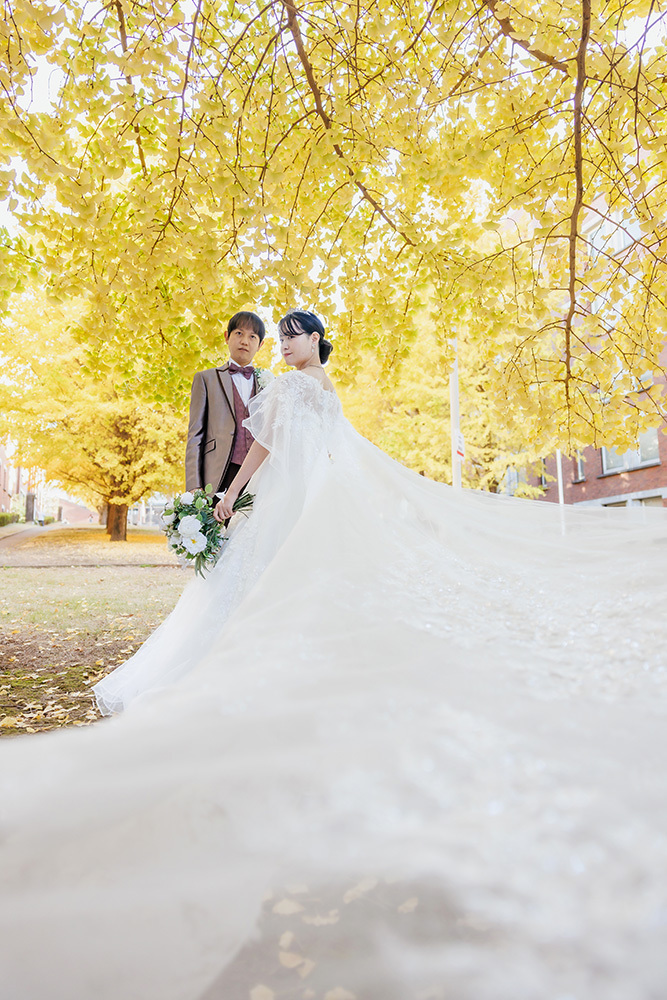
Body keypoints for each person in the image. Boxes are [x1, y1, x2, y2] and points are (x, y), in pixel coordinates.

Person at [1, 309, 666, 1000]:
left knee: (258, 592)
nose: (282, 344)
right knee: (278, 595)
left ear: (315, 338)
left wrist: (228, 497)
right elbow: (320, 453)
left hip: (290, 502)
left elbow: (261, 450)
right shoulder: (318, 388)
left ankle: (231, 676)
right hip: (312, 501)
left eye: (292, 334)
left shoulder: (290, 390)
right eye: (279, 336)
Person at [185, 310, 267, 498]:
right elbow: (195, 434)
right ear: (226, 337)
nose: (245, 341)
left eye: (252, 336)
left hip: (257, 477)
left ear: (260, 344)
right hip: (217, 474)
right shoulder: (206, 379)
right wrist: (194, 485)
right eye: (239, 333)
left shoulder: (268, 384)